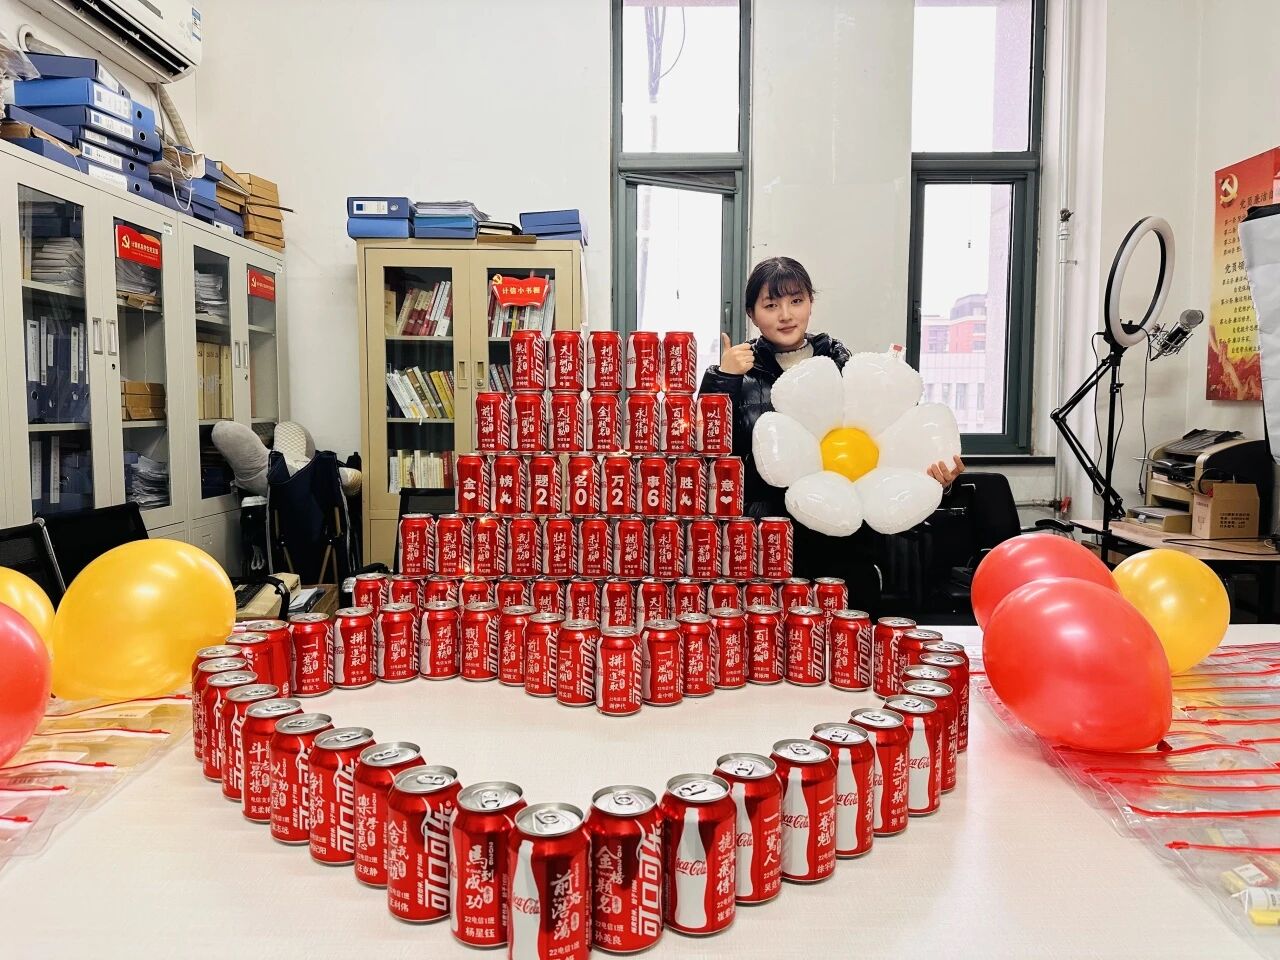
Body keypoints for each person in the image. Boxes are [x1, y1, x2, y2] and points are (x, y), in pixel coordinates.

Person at [698, 256, 965, 616]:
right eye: (771, 305)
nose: (785, 315)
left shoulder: (846, 367)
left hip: (842, 543)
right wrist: (723, 379)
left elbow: (894, 444)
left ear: (810, 303)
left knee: (847, 638)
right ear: (751, 313)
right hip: (767, 543)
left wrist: (939, 481)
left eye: (796, 301)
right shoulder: (737, 372)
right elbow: (704, 454)